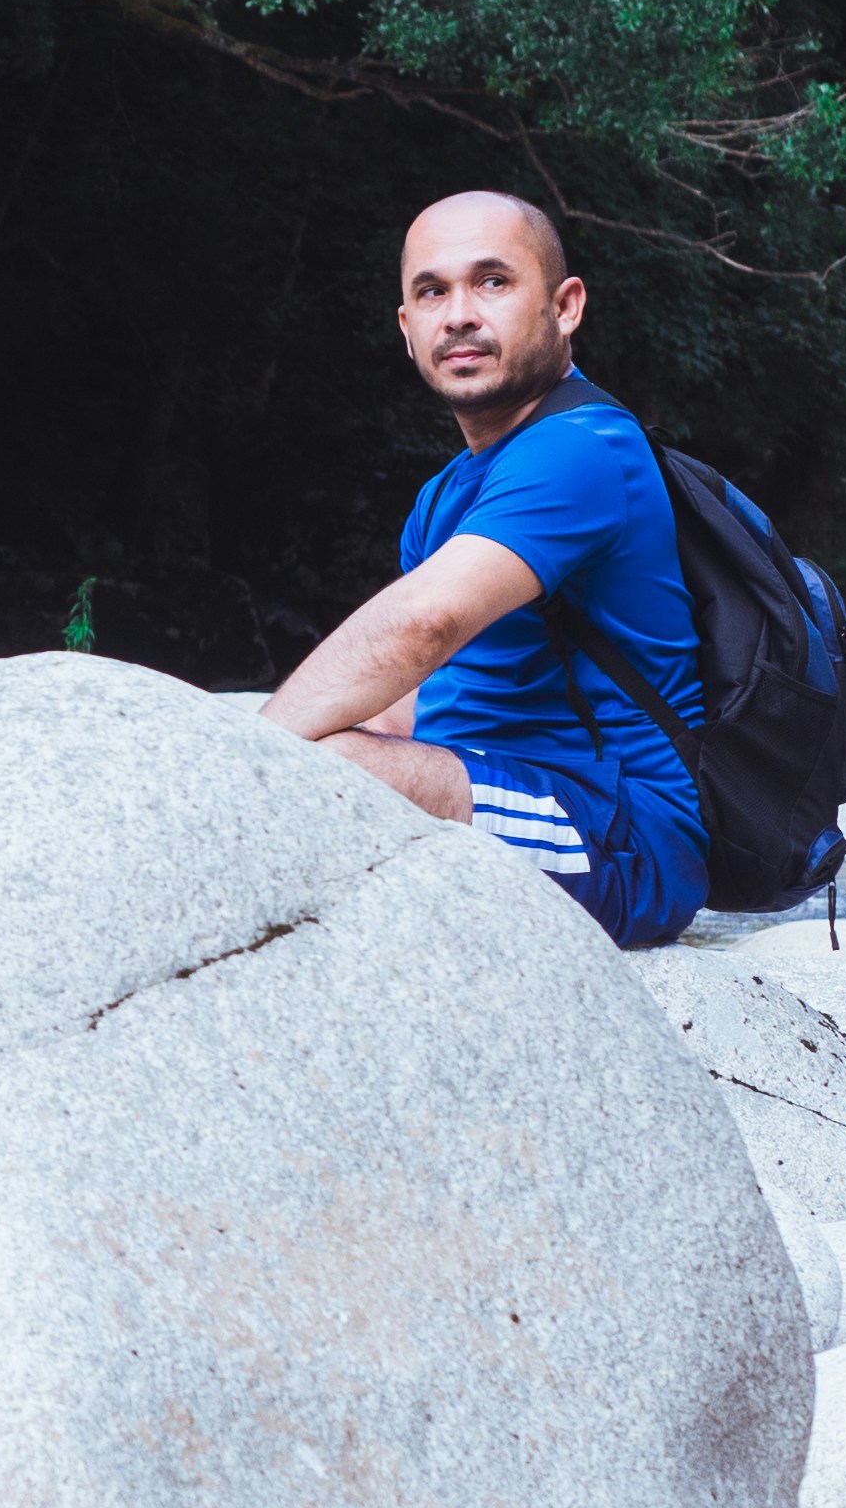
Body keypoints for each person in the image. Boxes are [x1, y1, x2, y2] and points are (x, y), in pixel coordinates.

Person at [261, 189, 709, 948]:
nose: (459, 314)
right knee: (324, 756)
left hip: (622, 837)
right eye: (432, 292)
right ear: (407, 331)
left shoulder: (584, 448)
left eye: (492, 282)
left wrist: (244, 766)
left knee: (317, 769)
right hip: (486, 786)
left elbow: (422, 626)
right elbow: (399, 705)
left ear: (565, 307)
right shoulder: (445, 497)